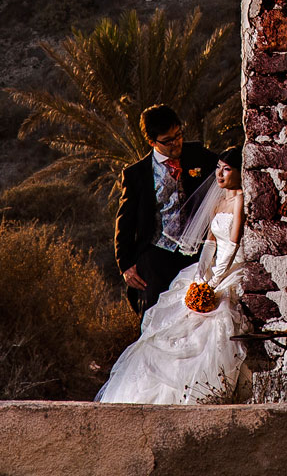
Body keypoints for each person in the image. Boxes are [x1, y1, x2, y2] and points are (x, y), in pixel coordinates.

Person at [96, 154, 251, 404]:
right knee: (173, 317)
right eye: (218, 169)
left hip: (230, 268)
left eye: (227, 170)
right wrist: (202, 277)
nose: (220, 175)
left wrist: (214, 283)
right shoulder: (218, 201)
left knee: (213, 322)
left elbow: (231, 246)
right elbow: (210, 244)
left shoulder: (239, 202)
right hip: (211, 269)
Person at [114, 105, 219, 314]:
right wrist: (125, 265)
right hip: (156, 255)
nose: (176, 142)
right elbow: (125, 221)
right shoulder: (136, 174)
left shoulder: (197, 153)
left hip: (196, 254)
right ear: (152, 141)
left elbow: (227, 168)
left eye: (178, 135)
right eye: (168, 140)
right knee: (156, 315)